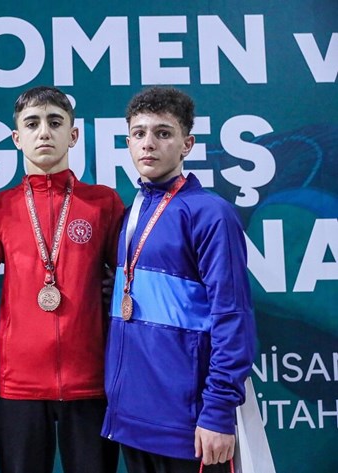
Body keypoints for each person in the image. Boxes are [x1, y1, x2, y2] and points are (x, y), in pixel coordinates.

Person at [101, 86, 256, 472]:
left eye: (163, 133)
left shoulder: (211, 214)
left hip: (189, 424)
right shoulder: (131, 212)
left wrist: (217, 411)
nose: (148, 143)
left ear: (187, 144)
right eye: (139, 133)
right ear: (128, 142)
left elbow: (233, 318)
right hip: (130, 418)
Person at [0, 86, 123, 473]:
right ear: (16, 137)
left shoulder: (103, 203)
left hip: (90, 381)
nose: (44, 132)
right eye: (32, 124)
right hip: (20, 384)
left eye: (55, 122)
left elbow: (132, 277)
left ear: (73, 135)